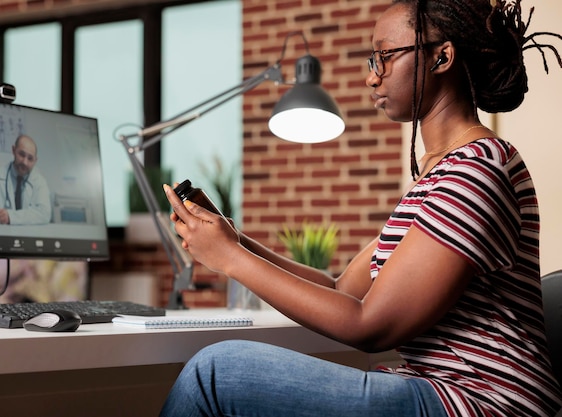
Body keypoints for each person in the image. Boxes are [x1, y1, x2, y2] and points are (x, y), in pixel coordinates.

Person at [159, 0, 562, 416]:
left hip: (487, 403)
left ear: (441, 57)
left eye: (385, 57)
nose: (372, 77)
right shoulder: (441, 176)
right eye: (374, 60)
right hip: (445, 391)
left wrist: (229, 258)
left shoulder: (478, 169)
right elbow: (340, 290)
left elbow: (370, 324)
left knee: (215, 373)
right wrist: (234, 238)